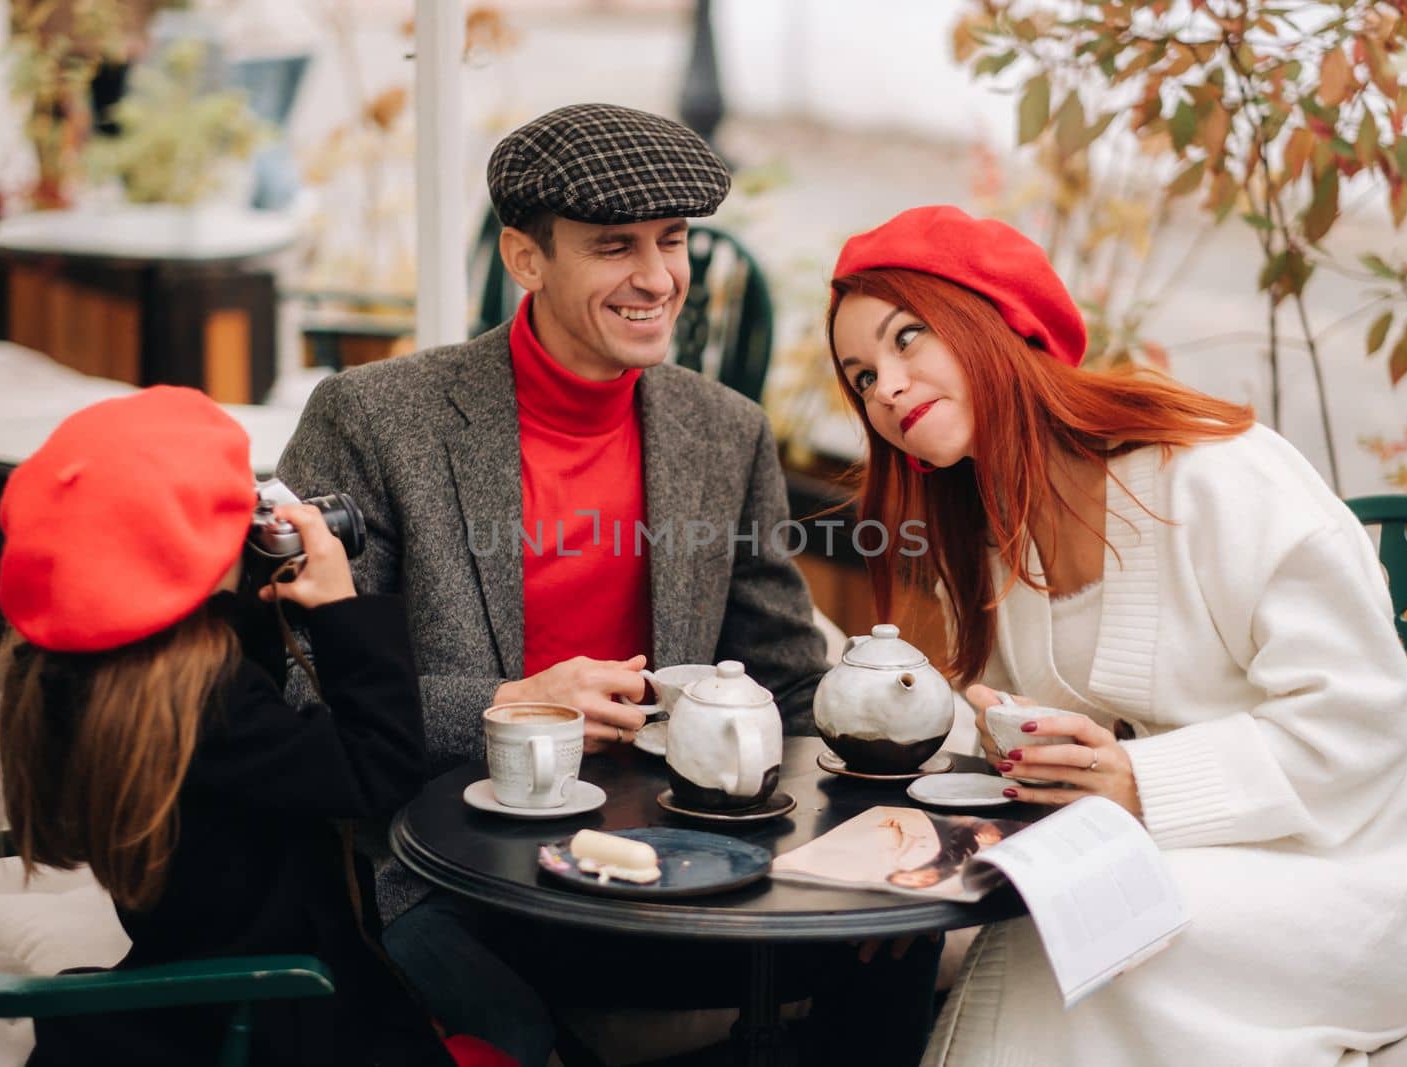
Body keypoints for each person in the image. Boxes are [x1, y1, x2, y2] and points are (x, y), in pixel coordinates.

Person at [277, 104, 939, 1066]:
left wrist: (881, 833)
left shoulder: (724, 431)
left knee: (896, 949)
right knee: (506, 1024)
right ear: (526, 257)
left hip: (675, 871)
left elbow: (791, 682)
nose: (658, 278)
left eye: (673, 242)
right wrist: (512, 703)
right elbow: (299, 693)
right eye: (614, 247)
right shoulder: (373, 419)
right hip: (448, 871)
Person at [824, 204, 1407, 1066]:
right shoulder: (980, 543)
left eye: (909, 339)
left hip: (1349, 863)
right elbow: (1036, 753)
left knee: (1082, 916)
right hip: (1158, 851)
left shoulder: (1218, 475)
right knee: (1031, 911)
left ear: (1000, 325)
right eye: (862, 376)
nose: (888, 387)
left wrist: (1138, 780)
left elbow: (1365, 727)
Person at [0, 387, 509, 1067]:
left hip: (198, 959)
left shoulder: (81, 674)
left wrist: (244, 601)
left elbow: (252, 747)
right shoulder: (208, 698)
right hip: (272, 1012)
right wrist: (340, 610)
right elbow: (377, 770)